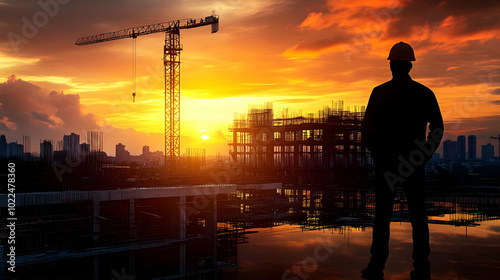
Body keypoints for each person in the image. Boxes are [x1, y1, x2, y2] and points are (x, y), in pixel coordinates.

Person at [361, 42, 444, 280]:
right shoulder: (424, 93)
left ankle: (376, 265)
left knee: (382, 216)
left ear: (391, 66)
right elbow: (437, 128)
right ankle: (422, 266)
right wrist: (424, 155)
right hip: (413, 163)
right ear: (409, 65)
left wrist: (378, 156)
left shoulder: (379, 92)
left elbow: (367, 129)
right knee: (418, 216)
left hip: (386, 164)